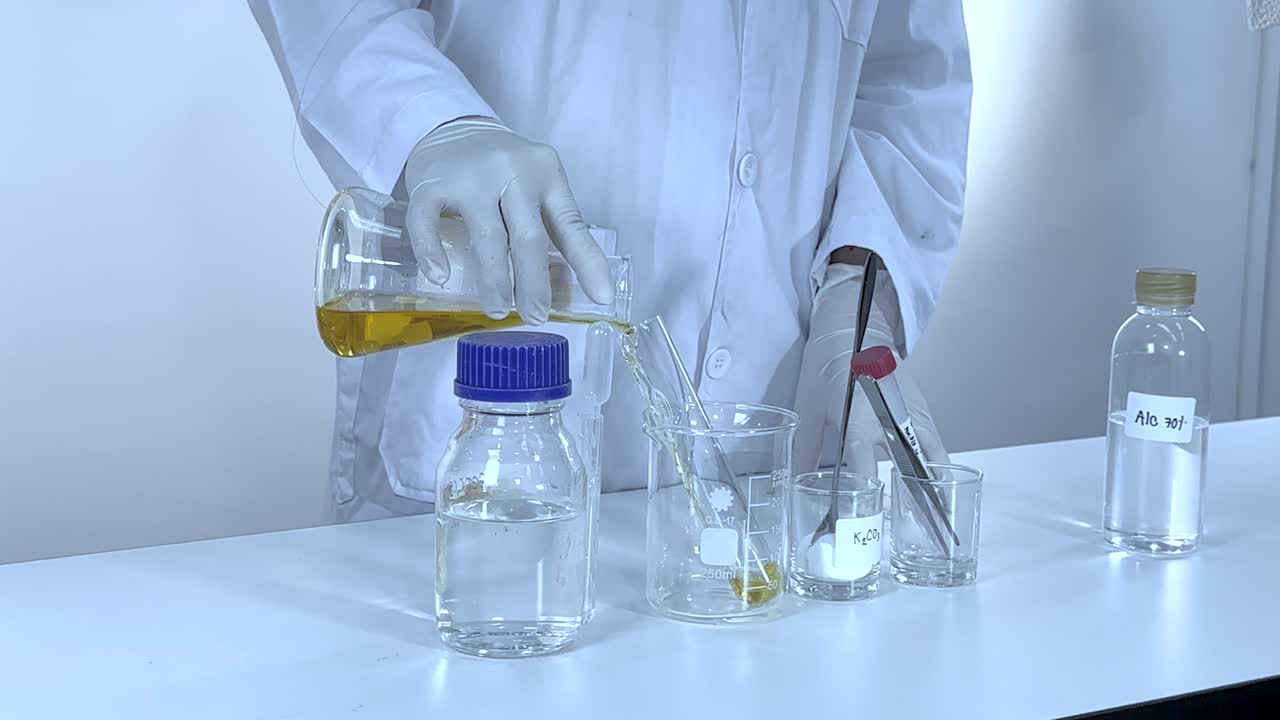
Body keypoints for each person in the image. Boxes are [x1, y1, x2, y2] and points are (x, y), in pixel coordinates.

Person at [249, 1, 972, 522]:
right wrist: (432, 119)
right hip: (483, 441)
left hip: (769, 440)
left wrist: (860, 287)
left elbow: (910, 81)